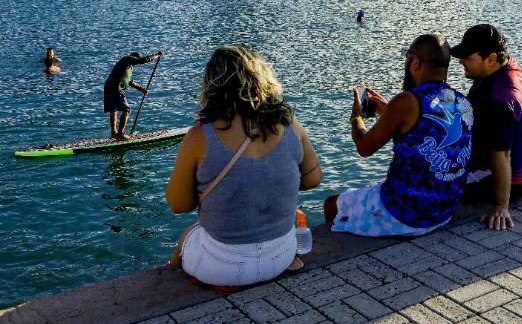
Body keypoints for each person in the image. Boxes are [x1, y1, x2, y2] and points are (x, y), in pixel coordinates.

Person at [166, 46, 322, 288]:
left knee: (189, 233)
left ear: (211, 86)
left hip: (222, 269)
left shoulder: (199, 137)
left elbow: (179, 205)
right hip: (281, 257)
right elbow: (313, 180)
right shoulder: (291, 125)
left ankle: (170, 282)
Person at [324, 34, 473, 237]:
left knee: (332, 204)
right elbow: (427, 127)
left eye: (407, 57)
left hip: (405, 214)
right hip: (444, 211)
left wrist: (356, 117)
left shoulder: (406, 101)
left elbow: (364, 147)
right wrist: (389, 112)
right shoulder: (462, 102)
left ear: (416, 62)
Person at [451, 24, 522, 231]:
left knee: (434, 178)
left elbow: (502, 155)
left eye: (467, 56)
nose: (460, 61)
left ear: (491, 58)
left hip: (518, 178)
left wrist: (501, 206)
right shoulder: (507, 66)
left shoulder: (498, 102)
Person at [104, 50, 163, 140]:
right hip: (115, 89)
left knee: (114, 111)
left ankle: (114, 134)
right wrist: (157, 56)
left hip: (109, 88)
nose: (136, 63)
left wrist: (141, 89)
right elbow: (144, 60)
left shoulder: (128, 67)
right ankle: (120, 134)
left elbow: (130, 81)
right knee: (127, 110)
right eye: (136, 60)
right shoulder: (127, 59)